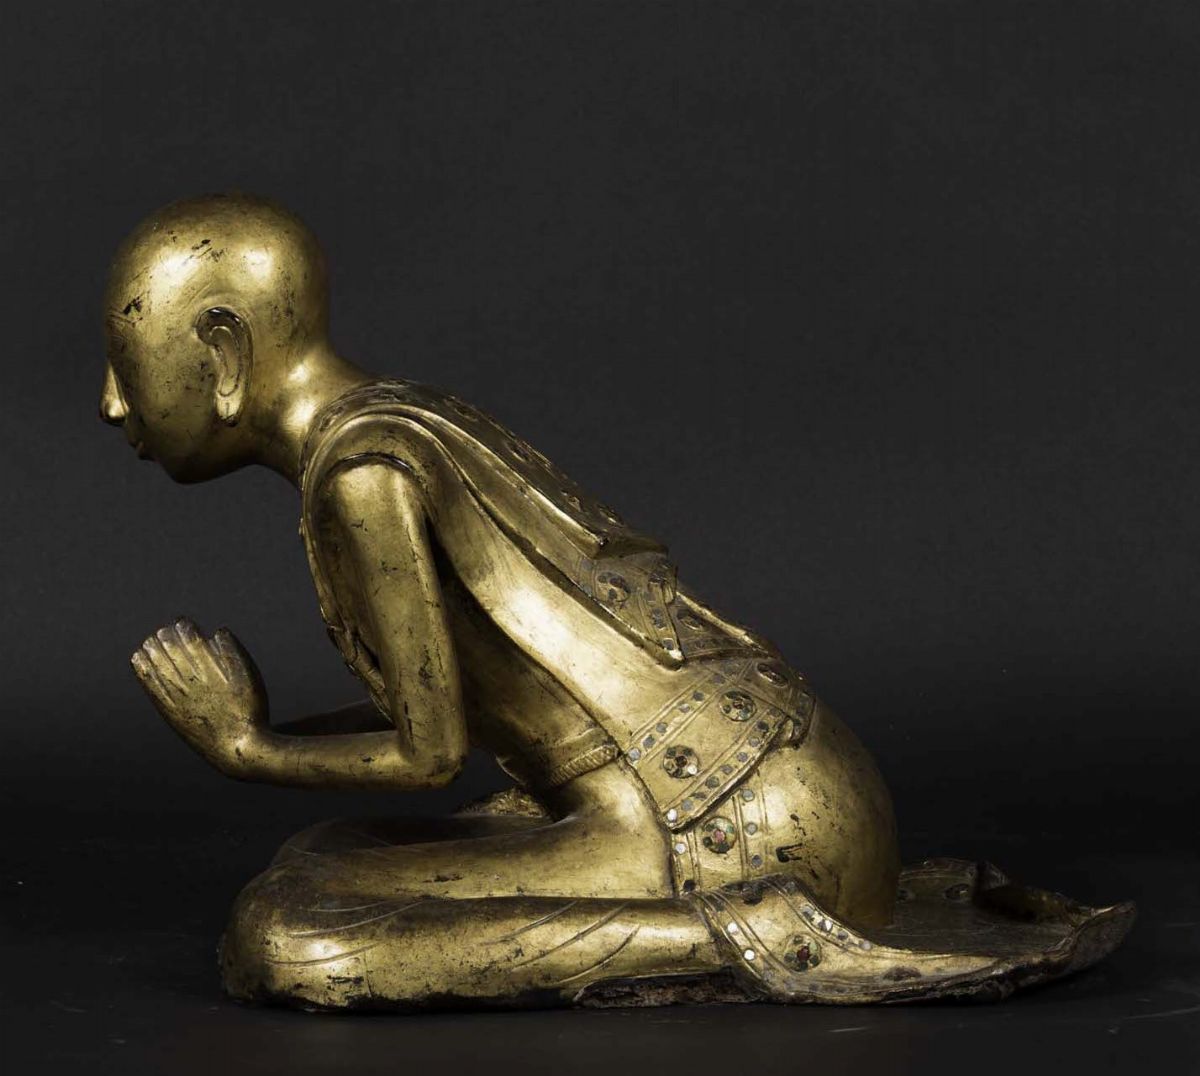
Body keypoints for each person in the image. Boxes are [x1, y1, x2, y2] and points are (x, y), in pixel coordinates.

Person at [101, 194, 1131, 1010]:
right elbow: (460, 710)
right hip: (767, 774)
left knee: (291, 939)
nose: (111, 400)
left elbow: (429, 756)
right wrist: (282, 731)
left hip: (722, 823)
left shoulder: (364, 473)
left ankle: (750, 929)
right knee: (321, 857)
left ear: (225, 353)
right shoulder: (396, 420)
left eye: (127, 356)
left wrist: (247, 748)